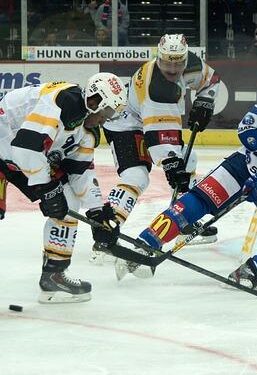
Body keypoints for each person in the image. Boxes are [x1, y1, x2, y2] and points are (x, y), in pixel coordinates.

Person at [129, 72, 257, 288]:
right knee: (199, 199)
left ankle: (253, 270)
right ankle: (146, 242)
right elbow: (247, 127)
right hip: (244, 164)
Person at [0, 72, 127, 303]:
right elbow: (26, 147)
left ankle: (53, 275)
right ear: (93, 101)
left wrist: (98, 212)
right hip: (7, 146)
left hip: (14, 155)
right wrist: (46, 189)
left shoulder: (86, 131)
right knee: (55, 195)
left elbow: (81, 172)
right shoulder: (62, 101)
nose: (106, 119)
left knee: (68, 201)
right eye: (106, 112)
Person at [98, 33, 221, 270]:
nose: (172, 68)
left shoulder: (192, 65)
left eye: (177, 62)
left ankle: (185, 222)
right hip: (124, 123)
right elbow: (158, 136)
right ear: (158, 57)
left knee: (189, 159)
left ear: (185, 59)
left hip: (149, 120)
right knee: (136, 176)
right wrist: (170, 163)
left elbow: (212, 80)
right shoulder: (157, 88)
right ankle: (105, 230)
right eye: (167, 62)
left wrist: (205, 101)